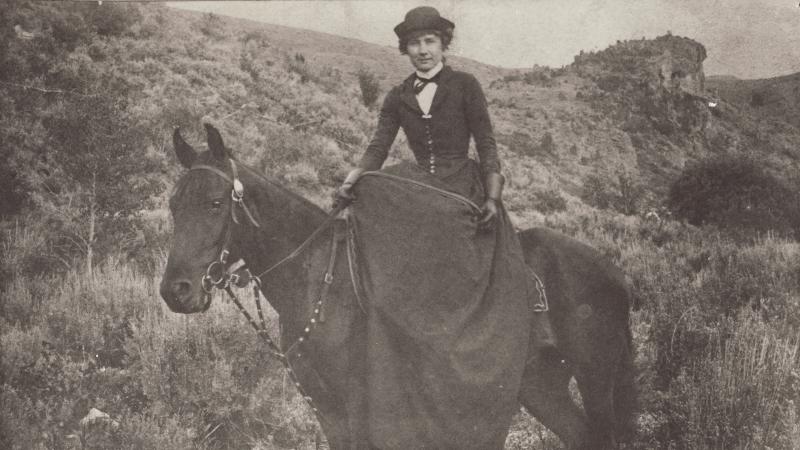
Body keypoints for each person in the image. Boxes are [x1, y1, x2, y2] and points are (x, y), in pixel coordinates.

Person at [334, 5, 504, 227]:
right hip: (419, 183)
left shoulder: (465, 84)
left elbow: (486, 141)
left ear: (443, 43)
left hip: (462, 184)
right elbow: (378, 146)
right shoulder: (397, 96)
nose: (423, 50)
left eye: (430, 40)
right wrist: (350, 182)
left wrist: (492, 196)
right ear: (406, 48)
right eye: (414, 42)